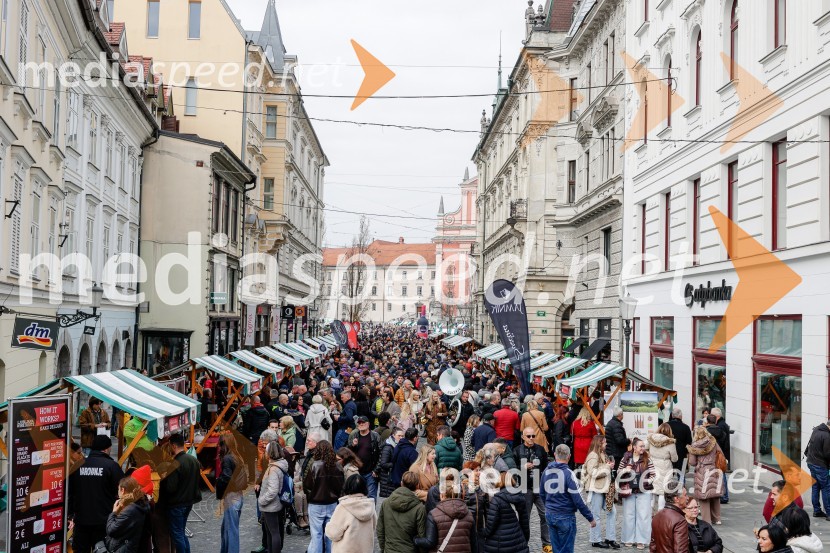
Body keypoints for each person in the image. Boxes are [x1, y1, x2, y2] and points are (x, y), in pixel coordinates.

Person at [68, 435, 125, 553]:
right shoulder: (111, 466)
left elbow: (69, 493)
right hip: (103, 522)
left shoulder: (77, 466)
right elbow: (123, 491)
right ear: (106, 449)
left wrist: (70, 515)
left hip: (81, 521)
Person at [539, 444, 595, 553]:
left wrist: (549, 506)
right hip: (565, 516)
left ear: (555, 455)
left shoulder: (546, 470)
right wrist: (590, 517)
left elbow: (542, 493)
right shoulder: (569, 474)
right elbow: (578, 499)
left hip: (550, 514)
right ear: (569, 456)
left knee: (556, 549)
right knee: (566, 550)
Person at [414, 469, 476, 553]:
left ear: (442, 495)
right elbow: (474, 543)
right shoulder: (468, 514)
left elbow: (430, 542)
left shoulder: (434, 515)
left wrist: (415, 539)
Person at [304, 440, 345, 553]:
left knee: (316, 535)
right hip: (332, 504)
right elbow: (341, 487)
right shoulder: (337, 466)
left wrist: (310, 497)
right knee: (330, 535)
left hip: (316, 504)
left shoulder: (315, 465)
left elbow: (307, 485)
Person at [514, 427, 550, 552]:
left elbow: (546, 467)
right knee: (525, 517)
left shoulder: (540, 450)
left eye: (533, 436)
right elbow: (512, 469)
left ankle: (546, 545)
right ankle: (523, 544)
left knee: (545, 515)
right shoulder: (517, 450)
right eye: (528, 436)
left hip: (539, 487)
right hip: (525, 487)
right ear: (523, 437)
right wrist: (522, 467)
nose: (531, 438)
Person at [582, 435, 618, 549]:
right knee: (596, 515)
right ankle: (595, 540)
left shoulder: (602, 454)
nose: (606, 444)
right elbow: (592, 472)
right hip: (596, 489)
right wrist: (607, 467)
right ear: (599, 443)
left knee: (612, 512)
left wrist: (608, 467)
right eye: (604, 442)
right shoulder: (593, 455)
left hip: (604, 488)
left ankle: (610, 538)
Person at [324, 475, 377, 553]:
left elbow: (333, 534)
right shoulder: (370, 506)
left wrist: (328, 526)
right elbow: (373, 528)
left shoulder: (343, 507)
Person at [377, 471, 427, 553]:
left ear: (401, 483)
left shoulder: (386, 503)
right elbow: (422, 536)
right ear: (417, 486)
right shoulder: (419, 508)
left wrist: (383, 549)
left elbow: (380, 530)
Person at [619, 437, 654, 549]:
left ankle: (641, 540)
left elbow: (653, 474)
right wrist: (626, 470)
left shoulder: (647, 458)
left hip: (644, 490)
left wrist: (645, 481)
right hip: (628, 490)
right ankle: (628, 538)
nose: (643, 448)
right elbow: (619, 472)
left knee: (643, 516)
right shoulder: (626, 457)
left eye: (644, 446)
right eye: (641, 446)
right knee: (628, 515)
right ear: (634, 447)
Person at [481, 472, 531, 553]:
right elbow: (524, 522)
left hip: (499, 542)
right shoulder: (520, 497)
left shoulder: (497, 500)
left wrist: (483, 533)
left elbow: (491, 524)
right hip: (517, 539)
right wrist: (524, 539)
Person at [217, 432, 247, 553]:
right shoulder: (236, 456)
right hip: (238, 495)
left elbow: (226, 478)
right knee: (226, 528)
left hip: (232, 496)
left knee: (231, 530)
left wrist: (218, 481)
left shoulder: (228, 458)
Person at [687, 426, 723, 525]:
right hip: (714, 469)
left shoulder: (694, 446)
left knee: (704, 497)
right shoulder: (713, 442)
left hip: (702, 471)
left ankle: (707, 520)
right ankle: (717, 519)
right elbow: (720, 453)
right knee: (715, 495)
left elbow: (692, 462)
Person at [105, 476, 151, 553]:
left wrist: (113, 513)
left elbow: (111, 530)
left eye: (118, 489)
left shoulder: (130, 509)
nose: (118, 492)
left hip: (124, 548)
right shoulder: (139, 503)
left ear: (122, 490)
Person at [258, 441, 290, 553]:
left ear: (269, 453)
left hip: (271, 505)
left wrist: (261, 500)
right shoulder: (281, 464)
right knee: (271, 532)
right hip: (276, 504)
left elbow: (272, 491)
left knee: (274, 533)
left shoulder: (273, 469)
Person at [648, 481, 689, 553]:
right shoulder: (680, 520)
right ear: (676, 499)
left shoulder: (657, 516)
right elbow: (680, 550)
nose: (687, 498)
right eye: (685, 495)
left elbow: (653, 546)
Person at [348, 415, 381, 499]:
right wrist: (353, 445)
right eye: (359, 423)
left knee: (371, 497)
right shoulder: (354, 435)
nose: (361, 424)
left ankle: (371, 512)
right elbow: (348, 453)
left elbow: (381, 453)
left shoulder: (375, 435)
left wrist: (376, 469)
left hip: (371, 472)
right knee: (358, 497)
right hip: (357, 472)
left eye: (363, 422)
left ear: (368, 424)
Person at [647, 423, 678, 510]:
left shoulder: (651, 438)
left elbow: (644, 448)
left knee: (652, 489)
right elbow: (674, 459)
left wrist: (650, 454)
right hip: (665, 467)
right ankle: (660, 511)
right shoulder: (670, 442)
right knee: (662, 491)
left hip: (652, 465)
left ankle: (649, 512)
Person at [805, 420, 830, 519]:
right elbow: (828, 453)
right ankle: (829, 513)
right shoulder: (827, 436)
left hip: (811, 462)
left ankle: (817, 511)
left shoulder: (816, 429)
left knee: (815, 487)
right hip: (820, 465)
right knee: (826, 488)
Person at [667, 408, 693, 479]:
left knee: (668, 476)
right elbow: (689, 442)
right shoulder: (686, 427)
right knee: (681, 476)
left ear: (672, 415)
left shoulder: (666, 426)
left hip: (668, 455)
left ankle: (668, 489)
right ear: (681, 416)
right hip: (681, 455)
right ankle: (681, 489)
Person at [379, 427, 404, 500]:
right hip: (388, 479)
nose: (401, 438)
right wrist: (396, 465)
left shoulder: (399, 446)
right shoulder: (388, 447)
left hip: (394, 477)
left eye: (402, 436)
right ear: (393, 435)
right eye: (399, 436)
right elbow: (383, 463)